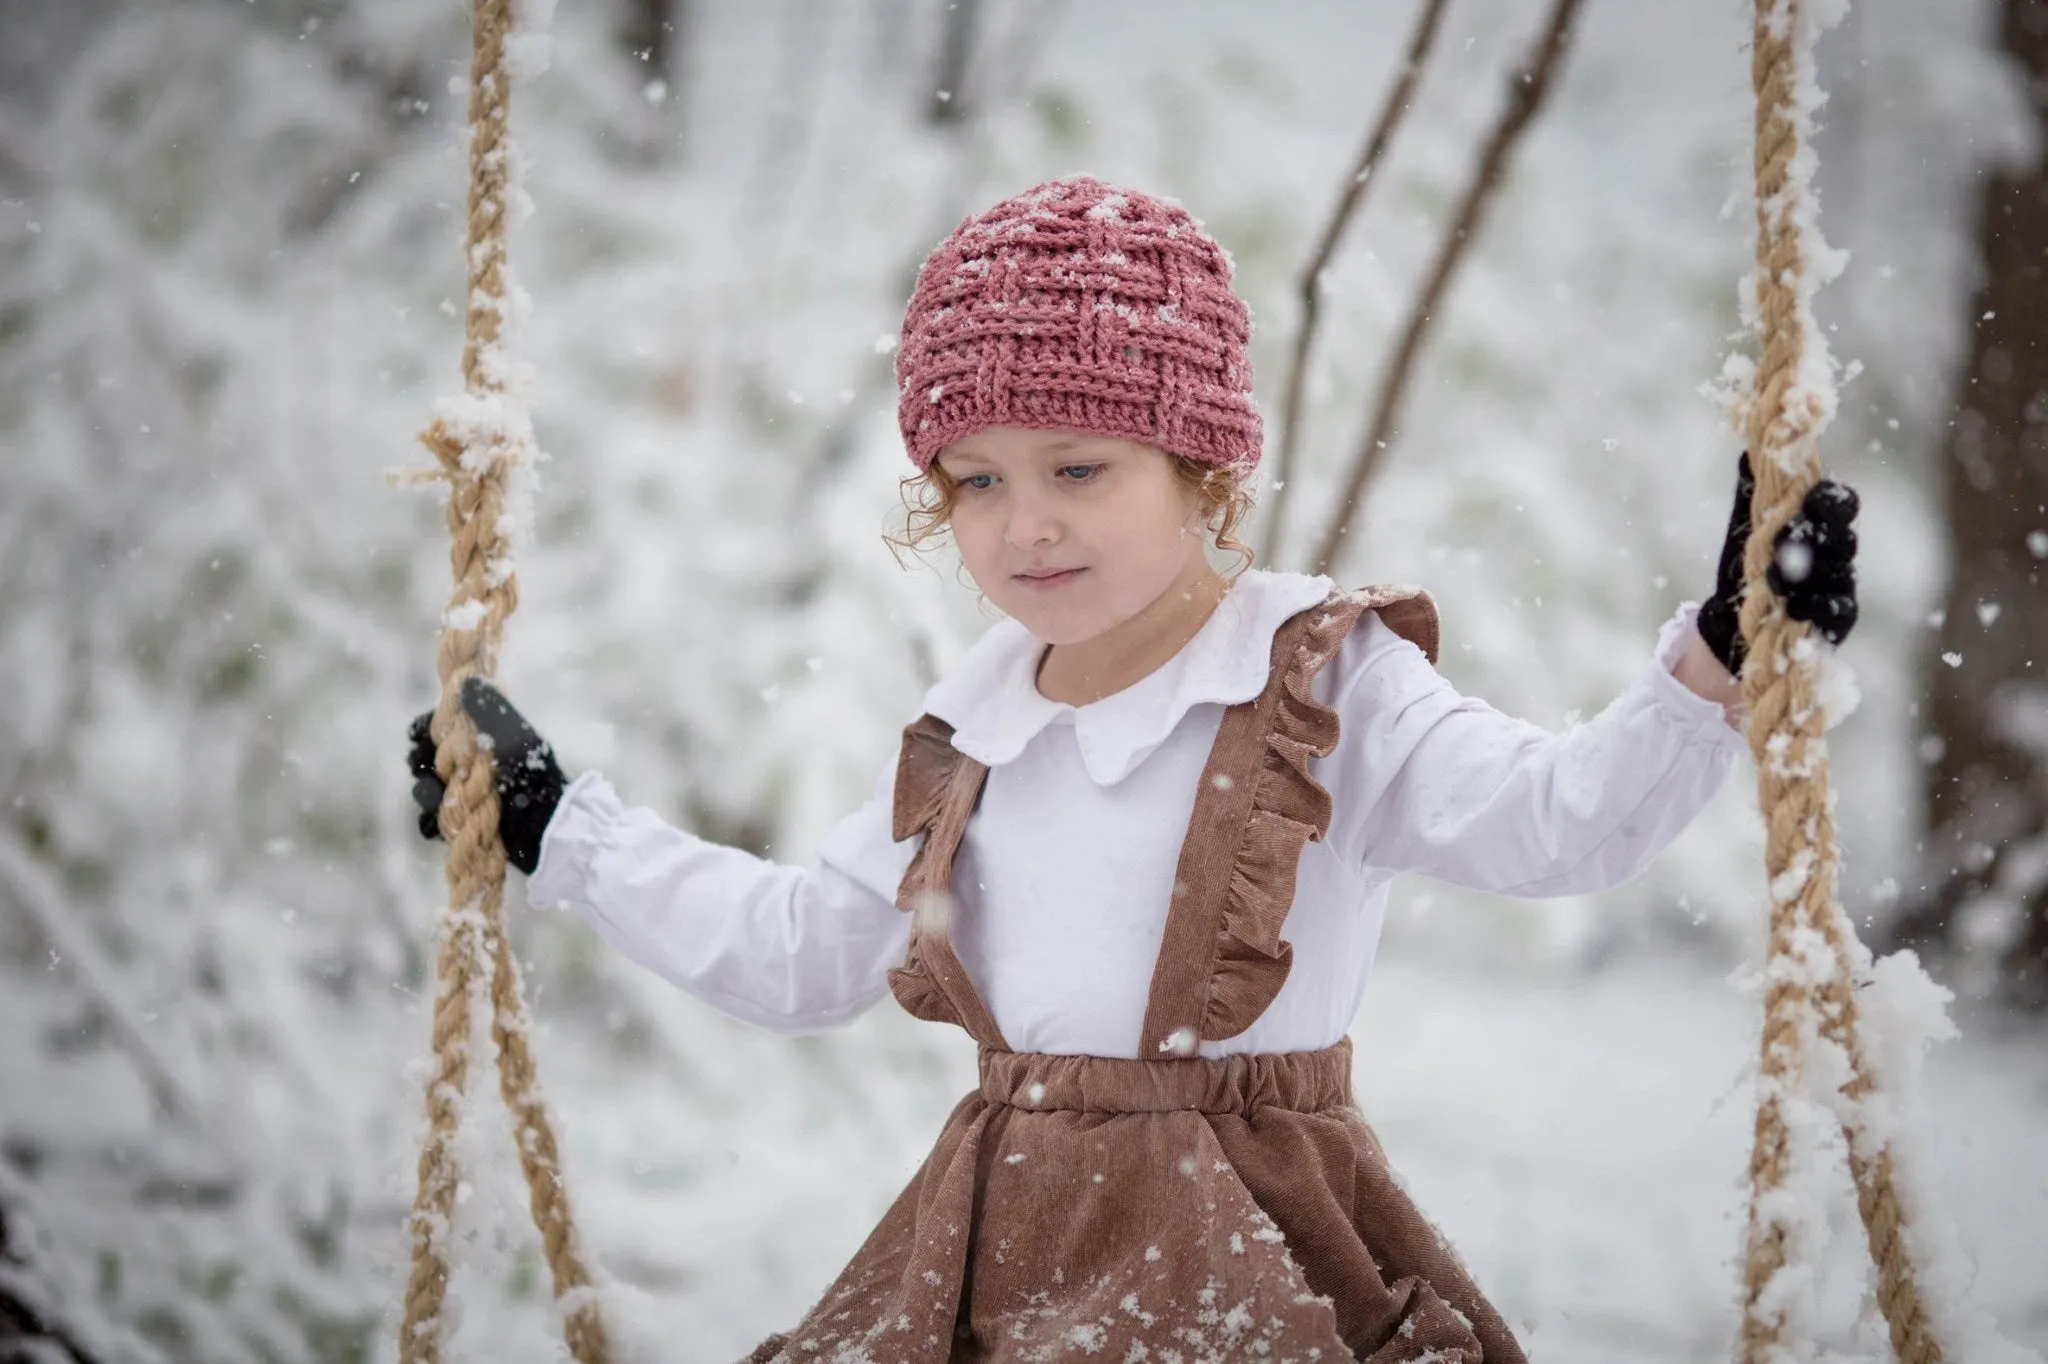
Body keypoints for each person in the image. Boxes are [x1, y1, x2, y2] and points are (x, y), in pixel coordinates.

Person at [407, 176, 1858, 1362]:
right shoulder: (973, 737)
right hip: (994, 1260)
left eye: (1079, 467)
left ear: (1203, 469)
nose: (1024, 523)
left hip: (1251, 1263)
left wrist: (1728, 652)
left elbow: (1558, 826)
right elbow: (799, 951)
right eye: (976, 481)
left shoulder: (1320, 684)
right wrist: (563, 828)